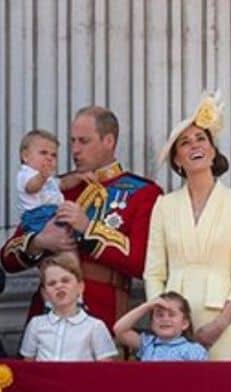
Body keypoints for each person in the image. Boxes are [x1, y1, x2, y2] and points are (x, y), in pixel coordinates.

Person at [1, 106, 164, 332]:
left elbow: (142, 263)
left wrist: (89, 229)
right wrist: (39, 242)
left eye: (84, 141)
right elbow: (8, 258)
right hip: (47, 316)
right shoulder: (56, 188)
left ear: (108, 141)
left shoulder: (143, 193)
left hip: (104, 313)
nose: (75, 150)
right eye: (72, 141)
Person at [144, 91, 231, 361]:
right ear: (177, 159)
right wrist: (164, 317)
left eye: (200, 139)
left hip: (222, 319)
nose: (194, 146)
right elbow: (153, 271)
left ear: (212, 150)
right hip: (174, 322)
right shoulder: (164, 205)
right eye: (185, 143)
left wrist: (221, 323)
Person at [20, 253, 118, 361]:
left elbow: (105, 369)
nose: (59, 286)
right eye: (52, 283)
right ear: (45, 293)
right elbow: (27, 366)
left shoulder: (95, 327)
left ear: (80, 287)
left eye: (65, 280)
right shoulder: (36, 324)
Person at [15, 129, 78, 234]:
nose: (49, 158)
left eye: (54, 155)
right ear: (25, 156)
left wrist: (80, 177)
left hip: (52, 212)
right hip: (36, 215)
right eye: (43, 153)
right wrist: (43, 176)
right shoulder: (25, 173)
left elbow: (64, 184)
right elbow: (31, 188)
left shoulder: (48, 178)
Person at [113, 292, 208, 361]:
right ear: (152, 323)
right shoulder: (147, 344)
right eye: (159, 315)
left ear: (184, 324)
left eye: (171, 314)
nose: (165, 319)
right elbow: (119, 330)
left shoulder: (194, 350)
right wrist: (147, 306)